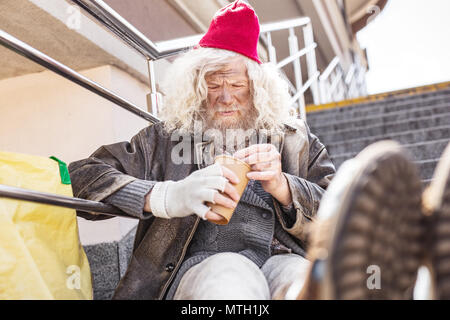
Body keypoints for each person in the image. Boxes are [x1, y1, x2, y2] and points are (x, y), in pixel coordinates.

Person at [68, 0, 335, 300]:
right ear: (195, 85)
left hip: (282, 258)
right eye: (213, 83)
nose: (224, 97)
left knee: (303, 280)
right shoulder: (166, 138)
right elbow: (80, 178)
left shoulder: (295, 140)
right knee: (231, 277)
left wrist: (286, 188)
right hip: (203, 267)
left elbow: (339, 213)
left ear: (258, 87)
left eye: (236, 84)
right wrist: (166, 197)